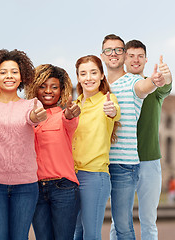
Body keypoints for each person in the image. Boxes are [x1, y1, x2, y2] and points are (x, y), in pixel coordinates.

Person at [0, 49, 47, 240]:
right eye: (3, 72)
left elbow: (33, 118)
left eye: (14, 71)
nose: (9, 76)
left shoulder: (32, 105)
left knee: (19, 237)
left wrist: (35, 116)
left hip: (26, 185)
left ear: (22, 76)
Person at [100, 34, 166, 240]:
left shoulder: (135, 82)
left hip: (135, 161)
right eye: (109, 51)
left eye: (118, 50)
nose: (114, 54)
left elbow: (144, 87)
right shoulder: (101, 86)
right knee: (116, 223)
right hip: (106, 161)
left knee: (137, 222)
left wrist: (155, 81)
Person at [25, 64, 80, 240]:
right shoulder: (28, 118)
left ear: (61, 90)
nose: (48, 91)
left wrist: (71, 114)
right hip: (35, 189)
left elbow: (70, 119)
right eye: (43, 86)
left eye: (54, 87)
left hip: (63, 188)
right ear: (35, 88)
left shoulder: (64, 116)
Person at [124, 39, 172, 240]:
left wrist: (166, 77)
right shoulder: (116, 88)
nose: (136, 60)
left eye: (140, 56)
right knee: (120, 221)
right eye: (131, 56)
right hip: (122, 161)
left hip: (149, 160)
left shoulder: (154, 86)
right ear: (124, 59)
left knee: (149, 221)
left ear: (146, 59)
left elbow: (166, 86)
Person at [72, 55, 121, 240]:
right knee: (76, 232)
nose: (88, 77)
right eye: (83, 73)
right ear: (78, 77)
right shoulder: (75, 105)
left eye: (93, 72)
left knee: (91, 235)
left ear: (101, 75)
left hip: (94, 176)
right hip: (71, 176)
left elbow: (114, 111)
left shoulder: (107, 100)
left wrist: (112, 110)